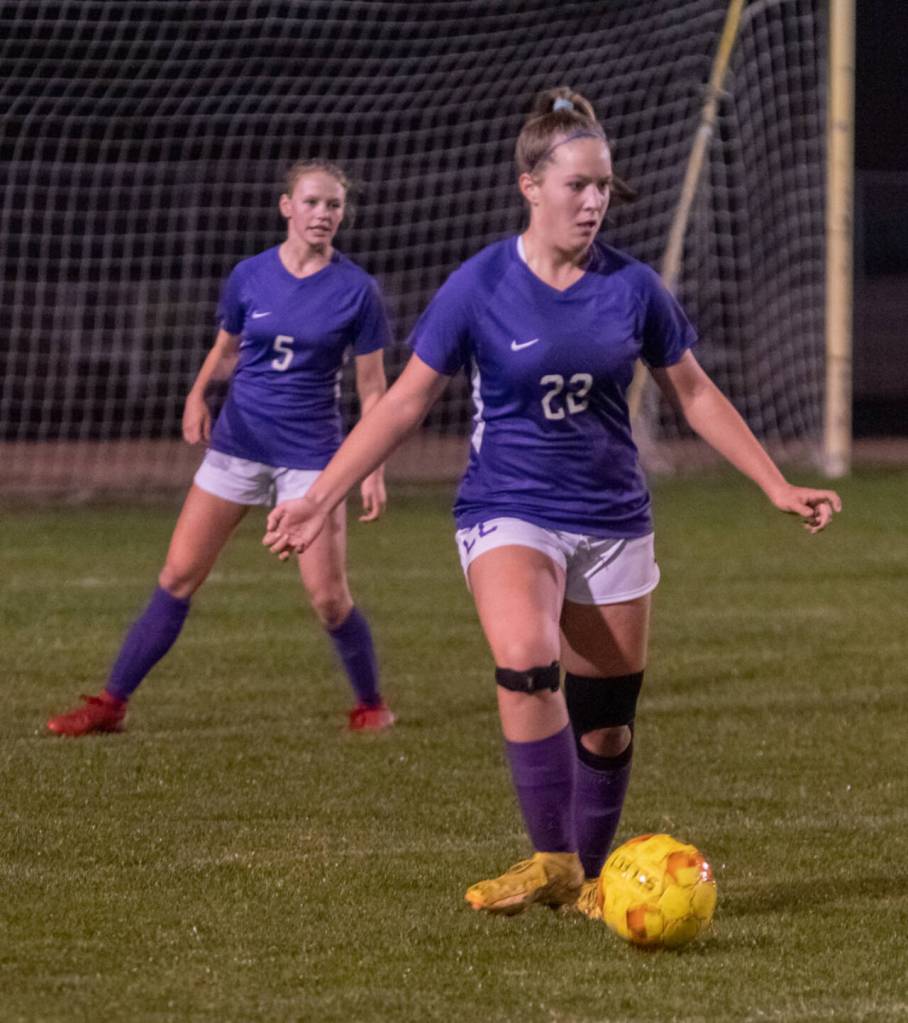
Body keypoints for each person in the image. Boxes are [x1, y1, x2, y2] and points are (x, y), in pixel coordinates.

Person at [262, 89, 842, 916]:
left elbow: (696, 393)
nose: (596, 200)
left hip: (612, 518)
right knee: (528, 662)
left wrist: (775, 484)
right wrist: (322, 495)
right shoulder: (480, 285)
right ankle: (554, 859)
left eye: (604, 185)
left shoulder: (635, 287)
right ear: (531, 184)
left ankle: (593, 880)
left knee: (605, 721)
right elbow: (401, 403)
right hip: (509, 507)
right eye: (578, 184)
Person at [48, 159, 396, 737]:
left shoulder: (357, 291)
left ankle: (371, 703)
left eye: (333, 205)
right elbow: (228, 347)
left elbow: (373, 389)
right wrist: (197, 393)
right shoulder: (249, 275)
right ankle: (111, 704)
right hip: (237, 446)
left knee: (329, 599)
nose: (323, 214)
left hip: (312, 459)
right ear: (287, 206)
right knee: (178, 575)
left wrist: (372, 469)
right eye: (311, 202)